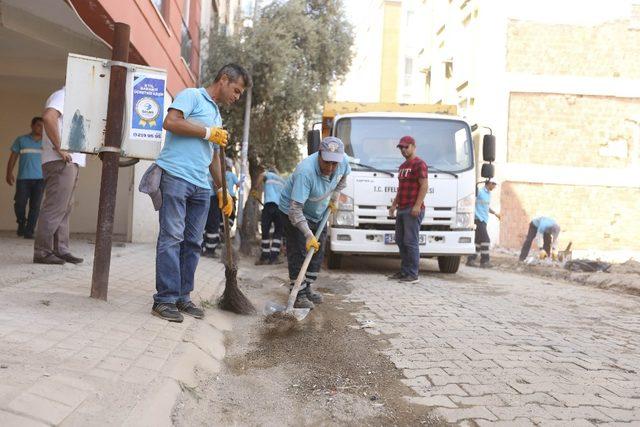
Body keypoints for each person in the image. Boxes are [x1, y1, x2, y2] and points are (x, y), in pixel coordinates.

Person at [152, 63, 251, 322]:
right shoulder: (192, 96)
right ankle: (164, 299)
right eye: (237, 90)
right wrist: (208, 132)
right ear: (224, 79)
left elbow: (211, 158)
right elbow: (170, 122)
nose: (237, 97)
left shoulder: (216, 114)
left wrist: (221, 190)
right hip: (175, 176)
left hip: (200, 185)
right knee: (172, 237)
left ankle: (183, 296)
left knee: (193, 243)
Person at [278, 137, 350, 309]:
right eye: (327, 163)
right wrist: (308, 234)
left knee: (318, 251)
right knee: (299, 252)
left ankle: (307, 287)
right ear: (319, 155)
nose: (331, 168)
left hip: (319, 212)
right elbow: (294, 211)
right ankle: (298, 294)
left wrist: (335, 198)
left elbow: (343, 178)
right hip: (294, 211)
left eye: (334, 164)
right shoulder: (306, 172)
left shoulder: (343, 161)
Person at [34, 88, 86, 265]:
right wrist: (59, 148)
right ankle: (42, 252)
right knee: (55, 207)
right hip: (61, 160)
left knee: (64, 207)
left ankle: (60, 250)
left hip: (70, 161)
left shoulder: (74, 97)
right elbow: (48, 117)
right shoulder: (63, 95)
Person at [388, 135, 428, 283]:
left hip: (413, 208)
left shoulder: (419, 164)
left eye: (406, 147)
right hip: (402, 208)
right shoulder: (403, 167)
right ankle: (404, 271)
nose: (403, 150)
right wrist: (393, 206)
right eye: (401, 147)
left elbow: (424, 185)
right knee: (400, 240)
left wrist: (417, 205)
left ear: (413, 146)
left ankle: (413, 274)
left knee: (411, 241)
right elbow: (401, 189)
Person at [6, 117, 45, 239]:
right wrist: (9, 173)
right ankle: (21, 222)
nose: (41, 128)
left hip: (41, 179)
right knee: (20, 203)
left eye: (43, 126)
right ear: (32, 126)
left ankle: (29, 231)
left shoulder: (47, 143)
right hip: (23, 178)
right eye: (39, 125)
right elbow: (13, 157)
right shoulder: (21, 140)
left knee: (36, 206)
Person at [254, 166, 285, 265]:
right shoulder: (282, 180)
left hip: (268, 206)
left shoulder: (269, 174)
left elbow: (261, 175)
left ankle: (264, 257)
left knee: (265, 231)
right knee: (278, 232)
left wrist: (255, 188)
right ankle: (274, 257)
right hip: (280, 208)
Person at [466, 180, 500, 268]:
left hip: (484, 220)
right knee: (486, 240)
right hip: (478, 219)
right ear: (489, 183)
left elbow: (486, 206)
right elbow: (470, 201)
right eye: (494, 184)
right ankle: (485, 261)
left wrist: (495, 213)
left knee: (478, 241)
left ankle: (471, 260)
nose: (494, 187)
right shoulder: (480, 192)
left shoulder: (488, 194)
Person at [201, 174, 222, 258]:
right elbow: (216, 185)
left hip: (199, 195)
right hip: (211, 197)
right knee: (213, 224)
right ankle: (210, 250)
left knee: (200, 223)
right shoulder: (214, 167)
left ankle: (199, 248)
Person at [224, 158, 239, 230]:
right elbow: (238, 184)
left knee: (222, 212)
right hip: (231, 196)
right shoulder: (232, 175)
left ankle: (221, 227)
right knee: (232, 212)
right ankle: (229, 226)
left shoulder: (222, 174)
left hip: (222, 195)